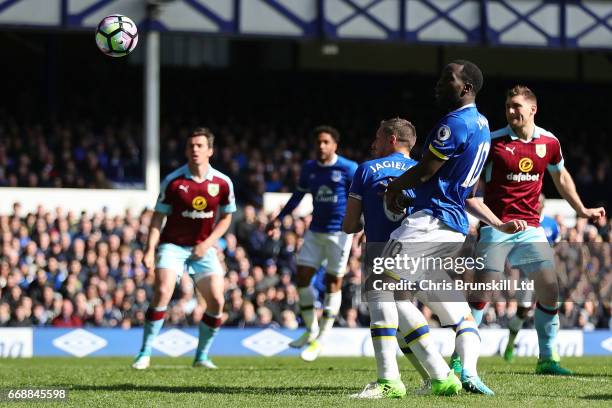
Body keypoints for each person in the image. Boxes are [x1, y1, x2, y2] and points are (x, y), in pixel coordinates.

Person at [382, 60, 527, 396]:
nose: (439, 83)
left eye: (448, 78)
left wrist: (393, 189)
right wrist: (497, 223)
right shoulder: (482, 125)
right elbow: (465, 192)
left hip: (430, 222)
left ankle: (439, 374)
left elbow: (425, 171)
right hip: (453, 227)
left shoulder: (455, 123)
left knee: (385, 289)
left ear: (466, 87)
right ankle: (470, 374)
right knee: (458, 313)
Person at [468, 85, 605, 375]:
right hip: (497, 226)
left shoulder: (549, 142)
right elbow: (469, 185)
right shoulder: (491, 142)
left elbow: (562, 177)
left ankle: (547, 359)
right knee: (482, 291)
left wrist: (581, 209)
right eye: (508, 106)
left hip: (531, 227)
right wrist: (488, 220)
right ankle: (461, 360)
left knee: (550, 289)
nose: (511, 111)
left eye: (517, 105)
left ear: (533, 109)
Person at [344, 118, 461, 398]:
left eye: (378, 137)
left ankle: (389, 381)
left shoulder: (367, 169)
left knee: (381, 294)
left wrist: (366, 221)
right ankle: (441, 377)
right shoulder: (425, 172)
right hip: (423, 247)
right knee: (400, 304)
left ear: (392, 139)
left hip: (383, 250)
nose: (374, 143)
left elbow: (349, 225)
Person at [132, 127, 236, 370]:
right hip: (173, 246)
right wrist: (150, 249)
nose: (195, 150)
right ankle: (145, 352)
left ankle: (201, 356)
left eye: (200, 146)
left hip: (203, 249)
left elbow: (227, 217)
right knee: (163, 291)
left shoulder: (222, 183)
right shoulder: (174, 181)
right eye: (191, 146)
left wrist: (208, 243)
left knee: (217, 301)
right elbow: (158, 217)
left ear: (210, 150)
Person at [267, 126, 358, 362]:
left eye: (326, 142)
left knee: (332, 283)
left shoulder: (348, 168)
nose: (321, 146)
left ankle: (322, 338)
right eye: (318, 142)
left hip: (340, 234)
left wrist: (361, 227)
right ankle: (311, 329)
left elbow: (360, 199)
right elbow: (297, 196)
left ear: (335, 145)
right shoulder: (309, 168)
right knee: (301, 280)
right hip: (315, 232)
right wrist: (277, 219)